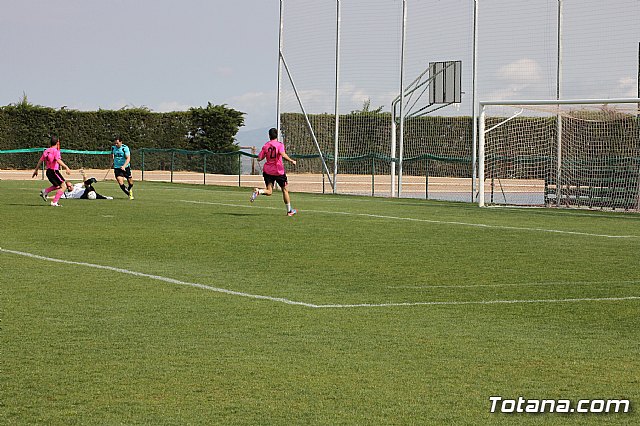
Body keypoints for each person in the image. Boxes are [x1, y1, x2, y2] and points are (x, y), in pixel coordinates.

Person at [250, 128, 297, 216]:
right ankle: (289, 211)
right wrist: (292, 161)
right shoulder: (280, 145)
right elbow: (283, 155)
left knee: (269, 191)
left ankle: (258, 191)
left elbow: (259, 158)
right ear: (277, 135)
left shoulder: (266, 146)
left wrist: (261, 156)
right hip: (278, 171)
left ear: (269, 136)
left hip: (268, 171)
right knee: (285, 190)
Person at [32, 135, 73, 207]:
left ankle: (46, 191)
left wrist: (36, 170)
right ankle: (54, 202)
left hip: (48, 172)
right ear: (57, 143)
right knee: (63, 186)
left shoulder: (46, 151)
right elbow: (58, 160)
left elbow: (40, 160)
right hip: (54, 171)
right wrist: (66, 167)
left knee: (57, 185)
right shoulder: (56, 151)